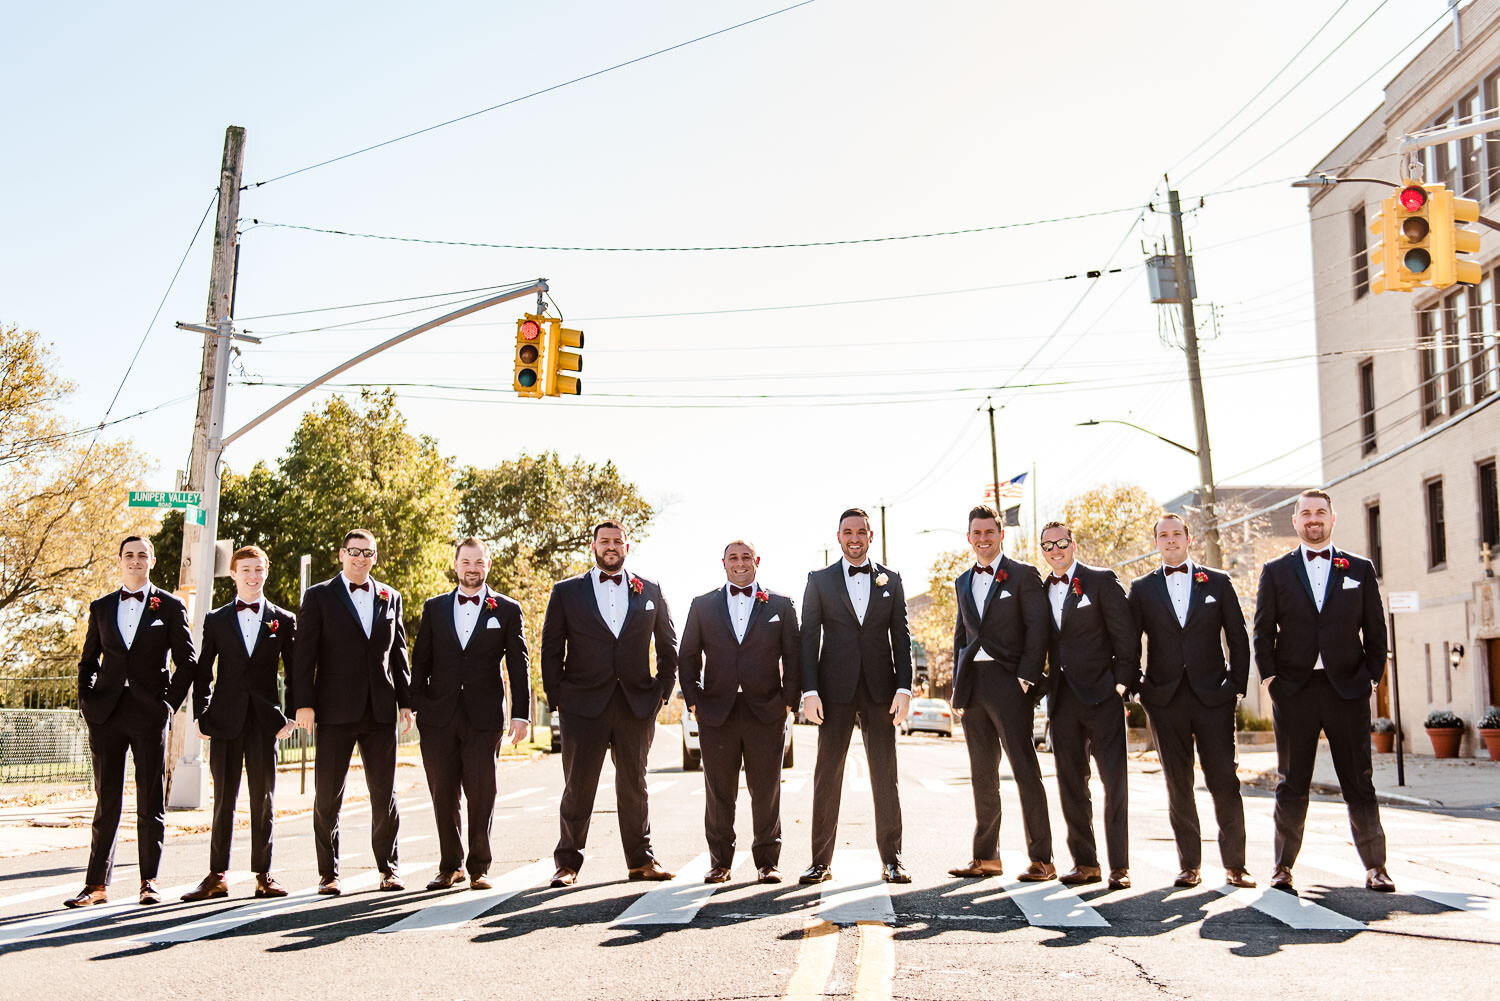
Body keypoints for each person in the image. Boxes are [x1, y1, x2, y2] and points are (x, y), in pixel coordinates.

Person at [1252, 489, 1394, 892]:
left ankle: (1376, 867)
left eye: (1321, 512)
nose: (1313, 519)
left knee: (1359, 781)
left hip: (1347, 689)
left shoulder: (1360, 569)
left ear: (1333, 518)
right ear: (1295, 521)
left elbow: (1376, 630)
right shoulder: (1275, 571)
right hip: (1294, 690)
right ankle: (1282, 867)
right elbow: (1262, 631)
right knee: (1292, 782)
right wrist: (1270, 680)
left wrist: (1371, 677)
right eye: (1306, 513)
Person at [541, 520, 678, 887]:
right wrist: (559, 699)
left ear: (627, 547)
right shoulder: (566, 591)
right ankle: (567, 864)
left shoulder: (650, 589)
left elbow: (668, 646)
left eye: (617, 541)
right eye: (605, 541)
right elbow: (551, 649)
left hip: (636, 704)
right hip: (582, 706)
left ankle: (641, 861)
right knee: (578, 786)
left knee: (635, 784)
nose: (611, 546)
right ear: (593, 546)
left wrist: (662, 692)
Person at [65, 536, 196, 908]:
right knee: (107, 800)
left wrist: (168, 705)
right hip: (106, 714)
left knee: (150, 800)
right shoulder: (102, 607)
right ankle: (96, 886)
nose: (135, 560)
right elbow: (88, 662)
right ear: (120, 561)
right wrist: (87, 702)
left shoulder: (169, 606)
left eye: (142, 555)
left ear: (152, 560)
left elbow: (187, 662)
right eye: (129, 555)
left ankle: (148, 881)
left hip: (148, 713)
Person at [1126, 515, 1255, 890]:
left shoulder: (1218, 581)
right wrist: (1138, 687)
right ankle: (1190, 865)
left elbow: (1238, 635)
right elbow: (1130, 642)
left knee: (1224, 781)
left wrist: (1236, 685)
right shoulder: (1142, 588)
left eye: (1176, 534)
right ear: (1155, 542)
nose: (1170, 541)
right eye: (1163, 536)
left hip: (1214, 696)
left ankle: (1236, 866)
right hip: (1164, 699)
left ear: (1188, 538)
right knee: (1178, 784)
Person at [293, 529, 413, 895]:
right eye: (354, 552)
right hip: (333, 711)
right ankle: (328, 874)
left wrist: (406, 702)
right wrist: (304, 704)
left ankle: (388, 869)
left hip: (380, 710)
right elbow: (304, 656)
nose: (361, 558)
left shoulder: (390, 596)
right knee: (327, 795)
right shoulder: (318, 597)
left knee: (384, 794)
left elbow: (399, 653)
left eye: (368, 553)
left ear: (375, 557)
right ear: (341, 554)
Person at [799, 508, 913, 885]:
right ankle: (820, 862)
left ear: (871, 535)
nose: (854, 538)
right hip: (834, 693)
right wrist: (810, 691)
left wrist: (904, 687)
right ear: (838, 537)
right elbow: (808, 640)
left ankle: (893, 860)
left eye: (860, 531)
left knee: (886, 777)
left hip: (881, 692)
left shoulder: (891, 580)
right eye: (847, 532)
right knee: (826, 777)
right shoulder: (819, 580)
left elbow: (902, 639)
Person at [411, 537, 530, 892]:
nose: (472, 568)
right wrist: (416, 705)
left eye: (479, 562)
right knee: (443, 793)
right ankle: (450, 866)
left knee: (482, 791)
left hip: (484, 715)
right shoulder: (434, 608)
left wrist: (521, 714)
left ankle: (478, 866)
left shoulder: (506, 609)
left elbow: (519, 664)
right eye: (466, 562)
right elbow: (420, 660)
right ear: (456, 564)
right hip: (438, 716)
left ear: (487, 565)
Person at [679, 540, 801, 884]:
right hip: (717, 712)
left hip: (767, 711)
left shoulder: (780, 604)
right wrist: (694, 701)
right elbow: (688, 656)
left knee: (766, 789)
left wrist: (787, 702)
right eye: (733, 557)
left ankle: (767, 862)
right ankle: (720, 862)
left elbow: (794, 656)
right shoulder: (702, 605)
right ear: (724, 563)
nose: (740, 562)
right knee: (719, 791)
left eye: (746, 556)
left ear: (757, 561)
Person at [181, 545, 298, 902]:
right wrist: (201, 714)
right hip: (225, 721)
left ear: (266, 572)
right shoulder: (216, 619)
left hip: (266, 723)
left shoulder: (284, 619)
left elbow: (294, 672)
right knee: (223, 801)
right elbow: (202, 672)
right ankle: (217, 875)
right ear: (233, 574)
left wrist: (289, 717)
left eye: (258, 569)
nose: (252, 576)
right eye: (245, 569)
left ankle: (264, 875)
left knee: (263, 799)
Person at [947, 505, 1055, 882]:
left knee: (1025, 770)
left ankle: (1042, 858)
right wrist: (958, 689)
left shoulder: (1024, 575)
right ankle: (986, 857)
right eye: (976, 533)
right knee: (982, 775)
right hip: (974, 683)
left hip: (1010, 683)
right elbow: (961, 638)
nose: (983, 538)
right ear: (969, 537)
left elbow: (1037, 627)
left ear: (1000, 533)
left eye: (989, 532)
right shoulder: (962, 581)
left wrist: (1028, 675)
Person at [1039, 520, 1139, 890]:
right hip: (1062, 699)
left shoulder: (1100, 580)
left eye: (1061, 542)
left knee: (1114, 783)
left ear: (1073, 544)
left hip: (1102, 697)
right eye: (1048, 546)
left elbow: (1125, 635)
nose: (1055, 550)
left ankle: (1119, 867)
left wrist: (1121, 685)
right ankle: (1086, 863)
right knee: (1070, 784)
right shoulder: (1042, 588)